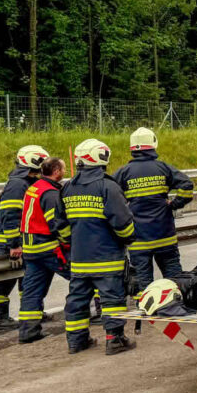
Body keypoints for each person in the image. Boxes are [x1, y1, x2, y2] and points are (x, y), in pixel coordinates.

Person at [64, 139, 137, 356]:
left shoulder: (68, 187)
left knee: (77, 299)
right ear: (102, 158)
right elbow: (122, 222)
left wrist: (74, 242)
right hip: (107, 256)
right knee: (112, 299)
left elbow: (59, 223)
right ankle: (114, 340)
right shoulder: (108, 186)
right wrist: (128, 239)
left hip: (79, 258)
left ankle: (76, 341)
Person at [115, 128, 194, 291]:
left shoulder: (123, 173)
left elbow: (111, 198)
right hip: (165, 235)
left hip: (138, 239)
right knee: (174, 279)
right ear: (153, 145)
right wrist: (173, 205)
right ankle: (176, 306)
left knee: (144, 283)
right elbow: (187, 186)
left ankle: (147, 309)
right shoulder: (163, 168)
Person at [0, 145, 49, 329]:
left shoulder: (26, 182)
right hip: (11, 243)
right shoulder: (18, 184)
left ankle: (31, 312)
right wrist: (14, 244)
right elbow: (11, 215)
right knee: (4, 281)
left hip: (22, 242)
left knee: (27, 278)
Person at [17, 157, 72, 343]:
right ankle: (82, 320)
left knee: (32, 291)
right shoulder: (50, 193)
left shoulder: (35, 187)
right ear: (56, 171)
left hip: (31, 249)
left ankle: (28, 332)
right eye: (63, 169)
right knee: (82, 276)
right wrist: (69, 241)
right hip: (48, 247)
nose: (64, 172)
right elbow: (56, 223)